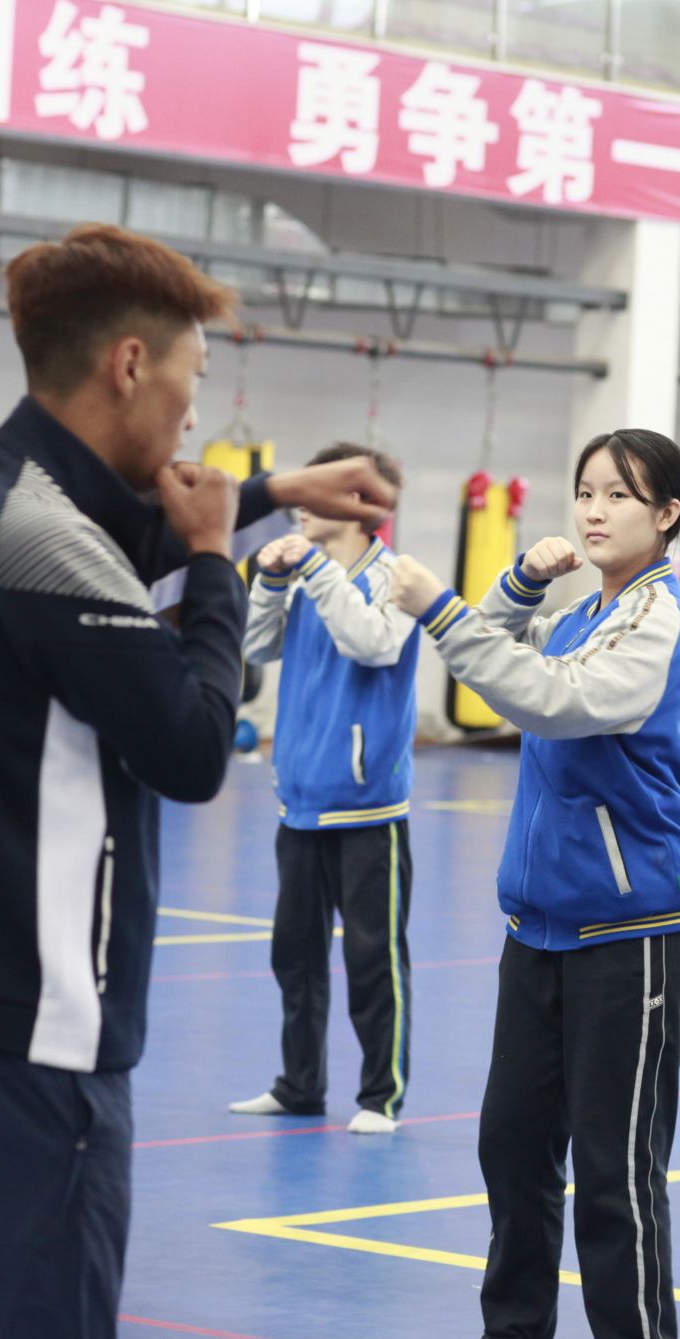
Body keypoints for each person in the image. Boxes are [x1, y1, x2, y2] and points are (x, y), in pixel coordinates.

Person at [0, 224, 397, 1339]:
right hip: (25, 1063)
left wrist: (273, 491)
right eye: (194, 377)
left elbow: (123, 527)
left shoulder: (1, 490)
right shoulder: (50, 545)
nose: (196, 415)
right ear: (131, 364)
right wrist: (214, 565)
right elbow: (192, 749)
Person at [387, 430, 680, 1339]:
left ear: (667, 514)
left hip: (632, 930)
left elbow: (551, 701)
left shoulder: (657, 619)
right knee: (515, 1143)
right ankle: (515, 1335)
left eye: (620, 495)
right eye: (586, 491)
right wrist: (519, 585)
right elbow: (492, 658)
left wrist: (439, 606)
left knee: (616, 1167)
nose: (596, 511)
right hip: (539, 926)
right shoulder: (578, 614)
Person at [229, 443, 418, 1135]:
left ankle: (380, 1097)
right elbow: (255, 648)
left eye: (321, 493)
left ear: (360, 505)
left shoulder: (398, 577)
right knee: (295, 956)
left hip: (369, 809)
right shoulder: (305, 574)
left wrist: (310, 567)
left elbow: (372, 642)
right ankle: (299, 1085)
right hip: (301, 803)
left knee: (373, 958)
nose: (301, 506)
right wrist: (270, 580)